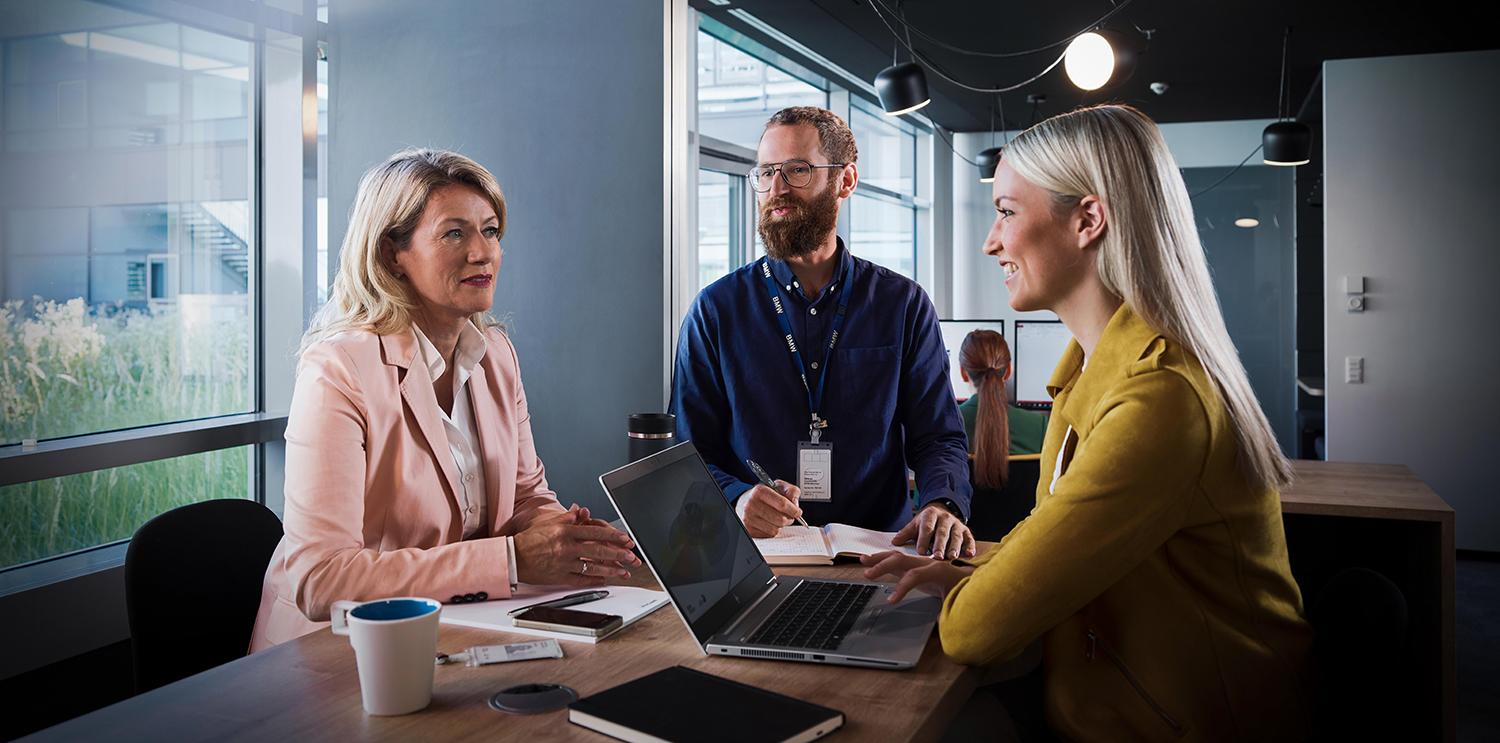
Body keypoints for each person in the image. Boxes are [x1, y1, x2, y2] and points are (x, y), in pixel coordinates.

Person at [861, 105, 1316, 742]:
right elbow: (1045, 535)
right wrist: (971, 577)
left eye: (1007, 212)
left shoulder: (1158, 399)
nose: (992, 241)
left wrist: (967, 595)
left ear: (1088, 220)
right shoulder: (1088, 376)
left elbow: (973, 630)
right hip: (1105, 702)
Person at [250, 149, 640, 652]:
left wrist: (567, 539)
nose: (483, 253)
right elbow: (321, 579)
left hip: (458, 631)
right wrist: (515, 560)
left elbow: (525, 496)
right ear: (393, 254)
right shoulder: (338, 369)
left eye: (491, 230)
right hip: (333, 655)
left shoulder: (496, 353)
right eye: (454, 233)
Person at [671, 106, 975, 560]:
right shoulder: (715, 312)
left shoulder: (903, 305)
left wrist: (942, 504)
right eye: (767, 172)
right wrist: (736, 498)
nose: (776, 189)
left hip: (881, 558)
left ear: (845, 181)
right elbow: (688, 451)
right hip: (758, 561)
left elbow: (938, 437)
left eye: (796, 170)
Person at [956, 329, 1046, 489]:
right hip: (1027, 515)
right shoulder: (1039, 425)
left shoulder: (945, 424)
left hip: (961, 515)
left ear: (963, 373)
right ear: (1008, 371)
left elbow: (925, 499)